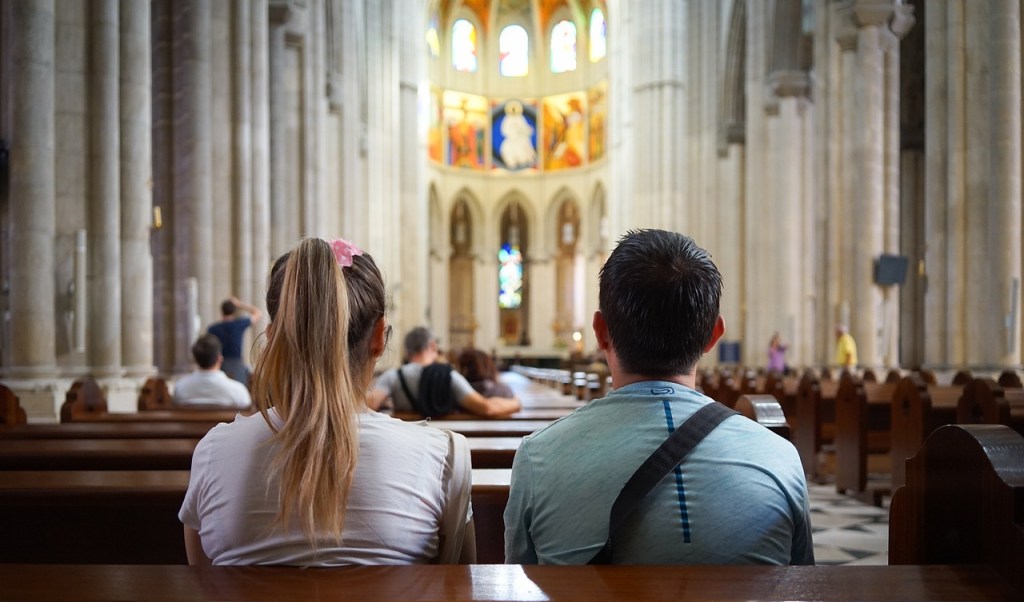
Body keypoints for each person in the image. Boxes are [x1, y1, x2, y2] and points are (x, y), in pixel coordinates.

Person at [504, 229, 813, 566]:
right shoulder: (780, 456)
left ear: (600, 332)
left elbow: (522, 597)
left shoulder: (539, 458)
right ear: (713, 336)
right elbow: (802, 592)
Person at [179, 237, 475, 566]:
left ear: (273, 338)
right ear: (379, 338)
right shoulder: (443, 459)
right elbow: (457, 590)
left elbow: (205, 591)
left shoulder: (214, 453)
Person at [367, 327, 521, 418]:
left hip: (403, 445)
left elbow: (369, 405)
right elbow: (487, 408)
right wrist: (516, 403)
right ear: (433, 346)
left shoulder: (393, 376)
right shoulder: (448, 375)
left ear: (407, 352)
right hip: (441, 442)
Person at [172, 333, 252, 409]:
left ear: (195, 359)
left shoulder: (180, 387)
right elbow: (247, 416)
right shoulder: (238, 390)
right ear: (219, 359)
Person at [206, 296, 263, 386]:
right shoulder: (239, 324)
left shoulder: (212, 329)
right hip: (236, 364)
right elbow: (258, 313)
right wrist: (239, 304)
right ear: (234, 311)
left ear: (222, 311)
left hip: (219, 365)